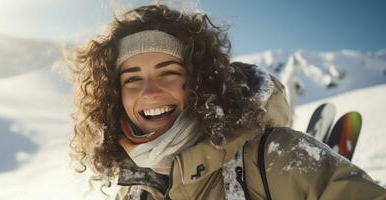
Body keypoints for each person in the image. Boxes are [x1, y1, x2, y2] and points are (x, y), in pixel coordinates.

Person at [68, 4, 386, 200]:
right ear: (115, 95)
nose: (150, 91)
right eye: (132, 78)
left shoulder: (278, 158)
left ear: (199, 81)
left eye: (168, 73)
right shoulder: (135, 189)